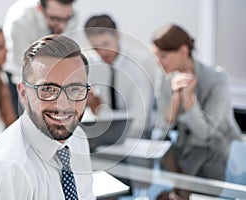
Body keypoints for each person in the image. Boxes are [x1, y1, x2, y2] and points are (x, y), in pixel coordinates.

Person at [0, 35, 95, 199]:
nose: (63, 104)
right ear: (23, 93)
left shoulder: (78, 138)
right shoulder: (5, 169)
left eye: (74, 89)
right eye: (48, 89)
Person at [152, 24, 242, 199]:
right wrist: (176, 98)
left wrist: (189, 98)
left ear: (183, 51)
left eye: (163, 56)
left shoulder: (217, 79)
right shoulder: (164, 78)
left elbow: (205, 135)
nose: (158, 62)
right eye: (156, 56)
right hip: (183, 158)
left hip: (220, 158)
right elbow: (159, 131)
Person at [84, 14, 159, 138]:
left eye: (106, 44)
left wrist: (102, 114)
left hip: (138, 137)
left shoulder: (141, 63)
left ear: (117, 36)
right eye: (95, 47)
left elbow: (139, 121)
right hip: (106, 136)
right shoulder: (91, 63)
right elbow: (94, 107)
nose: (102, 52)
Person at [3, 0, 78, 115]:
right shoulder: (19, 21)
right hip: (17, 76)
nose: (63, 26)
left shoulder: (72, 16)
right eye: (55, 19)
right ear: (40, 9)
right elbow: (21, 69)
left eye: (66, 19)